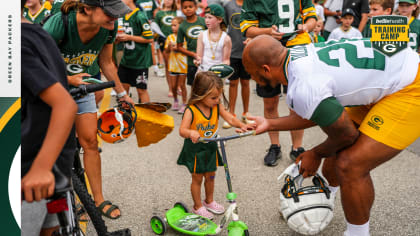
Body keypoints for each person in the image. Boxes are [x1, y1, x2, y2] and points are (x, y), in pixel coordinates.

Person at [243, 35, 420, 236]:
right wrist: (269, 123)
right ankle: (326, 199)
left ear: (266, 69)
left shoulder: (303, 84)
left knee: (349, 164)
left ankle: (358, 234)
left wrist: (315, 153)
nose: (252, 78)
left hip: (410, 86)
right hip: (389, 75)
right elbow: (319, 109)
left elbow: (346, 135)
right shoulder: (297, 55)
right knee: (334, 158)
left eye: (252, 73)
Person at [43, 0, 134, 219]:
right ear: (87, 9)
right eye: (109, 13)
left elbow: (106, 62)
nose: (115, 18)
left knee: (90, 142)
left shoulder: (108, 27)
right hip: (52, 88)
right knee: (55, 148)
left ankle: (97, 199)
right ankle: (64, 200)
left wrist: (122, 94)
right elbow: (36, 63)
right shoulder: (59, 24)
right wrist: (68, 79)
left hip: (82, 88)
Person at [21, 0, 77, 234]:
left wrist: (41, 168)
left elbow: (64, 104)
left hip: (31, 174)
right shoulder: (39, 34)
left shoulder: (13, 41)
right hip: (54, 169)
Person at [240, 0, 317, 166]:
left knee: (297, 102)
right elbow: (247, 28)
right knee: (269, 102)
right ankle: (275, 145)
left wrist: (306, 27)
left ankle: (297, 147)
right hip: (266, 49)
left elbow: (312, 17)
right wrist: (267, 31)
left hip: (296, 47)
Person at [178, 71, 254, 219]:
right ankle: (197, 206)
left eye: (219, 96)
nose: (217, 99)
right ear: (200, 94)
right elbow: (182, 130)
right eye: (213, 97)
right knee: (197, 178)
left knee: (211, 175)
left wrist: (241, 125)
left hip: (211, 146)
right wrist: (190, 133)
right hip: (196, 148)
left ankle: (209, 201)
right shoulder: (191, 110)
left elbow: (230, 119)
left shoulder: (216, 105)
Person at [222, 0, 254, 128]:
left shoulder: (252, 4)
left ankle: (246, 113)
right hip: (232, 50)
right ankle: (231, 114)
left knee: (246, 82)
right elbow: (223, 26)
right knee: (233, 83)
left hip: (247, 50)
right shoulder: (228, 5)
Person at [117, 0, 154, 103]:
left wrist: (129, 37)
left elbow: (149, 38)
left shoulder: (140, 16)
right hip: (126, 60)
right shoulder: (123, 16)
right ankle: (125, 115)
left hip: (139, 61)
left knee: (141, 90)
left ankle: (145, 115)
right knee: (123, 91)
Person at [177, 0, 207, 86]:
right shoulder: (182, 26)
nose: (188, 9)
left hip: (206, 59)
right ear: (181, 9)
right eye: (185, 7)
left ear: (196, 7)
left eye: (190, 7)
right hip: (192, 62)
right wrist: (192, 54)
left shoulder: (204, 21)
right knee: (194, 87)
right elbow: (179, 47)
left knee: (207, 85)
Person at [195, 4, 231, 71]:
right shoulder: (202, 35)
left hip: (218, 74)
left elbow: (226, 60)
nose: (206, 20)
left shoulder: (226, 38)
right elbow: (199, 56)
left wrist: (225, 66)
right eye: (205, 17)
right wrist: (198, 60)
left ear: (219, 20)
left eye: (210, 17)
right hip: (203, 71)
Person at [165, 16, 188, 113]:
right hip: (173, 65)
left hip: (183, 65)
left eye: (175, 25)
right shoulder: (170, 37)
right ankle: (175, 100)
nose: (172, 27)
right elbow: (166, 51)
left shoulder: (185, 37)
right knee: (173, 86)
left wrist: (178, 48)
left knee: (182, 85)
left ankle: (184, 103)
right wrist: (169, 46)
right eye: (172, 25)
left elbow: (187, 50)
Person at [155, 0, 178, 97]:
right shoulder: (159, 13)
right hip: (164, 41)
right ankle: (171, 88)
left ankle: (179, 86)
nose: (168, 1)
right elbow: (155, 27)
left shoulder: (177, 12)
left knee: (178, 65)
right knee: (168, 65)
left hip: (177, 40)